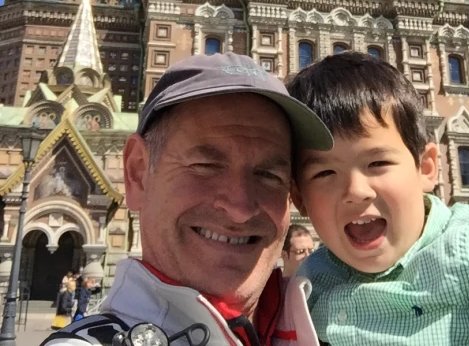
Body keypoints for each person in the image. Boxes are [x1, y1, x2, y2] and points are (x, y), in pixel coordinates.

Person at [42, 52, 332, 346]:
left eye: (269, 175)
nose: (241, 208)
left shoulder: (330, 325)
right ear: (138, 174)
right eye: (205, 167)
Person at [287, 51, 469, 346]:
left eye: (378, 164)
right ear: (299, 198)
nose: (356, 190)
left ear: (426, 168)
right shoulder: (312, 278)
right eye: (324, 172)